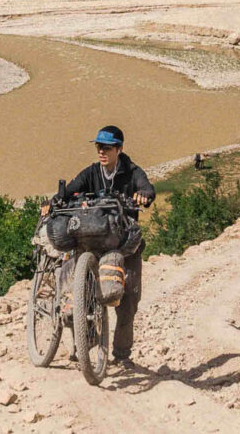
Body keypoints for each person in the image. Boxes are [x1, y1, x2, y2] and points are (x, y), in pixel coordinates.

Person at [53, 124, 154, 366]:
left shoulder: (132, 172)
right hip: (93, 241)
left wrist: (143, 195)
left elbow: (147, 189)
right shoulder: (91, 173)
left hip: (123, 243)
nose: (101, 152)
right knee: (78, 294)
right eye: (99, 146)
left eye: (107, 147)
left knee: (129, 300)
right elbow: (69, 191)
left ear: (119, 149)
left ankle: (121, 355)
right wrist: (55, 200)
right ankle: (86, 342)